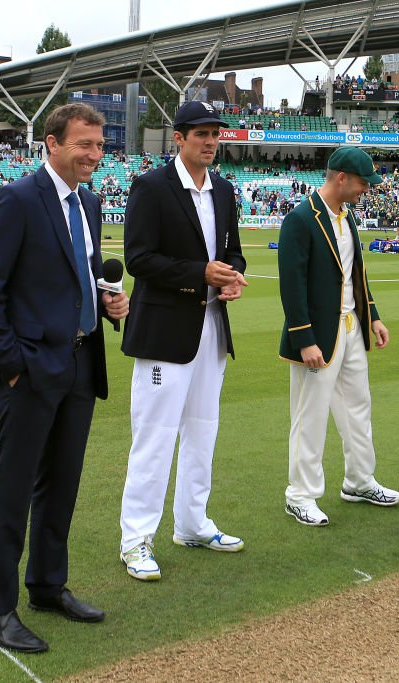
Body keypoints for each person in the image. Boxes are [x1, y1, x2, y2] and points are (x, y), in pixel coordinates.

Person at [0, 103, 129, 653]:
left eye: (100, 145)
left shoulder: (90, 202)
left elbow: (80, 273)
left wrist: (108, 303)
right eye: (84, 145)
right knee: (12, 493)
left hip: (82, 363)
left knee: (61, 487)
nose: (94, 155)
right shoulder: (16, 200)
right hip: (31, 371)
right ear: (52, 144)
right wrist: (12, 366)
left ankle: (46, 586)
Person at [118, 101, 248, 581]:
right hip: (165, 333)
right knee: (154, 438)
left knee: (203, 432)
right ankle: (135, 540)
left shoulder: (225, 190)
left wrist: (232, 277)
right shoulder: (151, 187)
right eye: (201, 134)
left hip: (212, 328)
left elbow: (232, 251)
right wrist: (201, 273)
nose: (211, 142)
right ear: (178, 138)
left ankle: (192, 524)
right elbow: (139, 259)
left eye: (215, 134)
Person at [278, 147, 399, 526]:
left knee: (358, 407)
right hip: (318, 335)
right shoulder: (301, 218)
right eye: (364, 183)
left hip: (351, 329)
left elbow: (355, 275)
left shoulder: (347, 217)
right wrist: (304, 338)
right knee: (310, 415)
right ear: (342, 178)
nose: (367, 190)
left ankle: (359, 481)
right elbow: (292, 284)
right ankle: (300, 495)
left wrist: (374, 317)